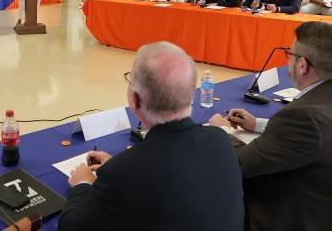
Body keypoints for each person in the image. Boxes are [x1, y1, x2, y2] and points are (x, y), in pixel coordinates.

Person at [58, 42, 244, 231]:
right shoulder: (221, 139)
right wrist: (125, 167)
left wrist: (82, 184)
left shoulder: (122, 173)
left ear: (135, 99)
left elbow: (71, 227)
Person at [209, 21, 332, 230]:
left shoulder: (304, 116)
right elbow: (321, 136)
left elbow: (243, 165)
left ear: (302, 65)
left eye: (289, 54)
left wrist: (221, 131)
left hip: (293, 218)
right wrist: (258, 124)